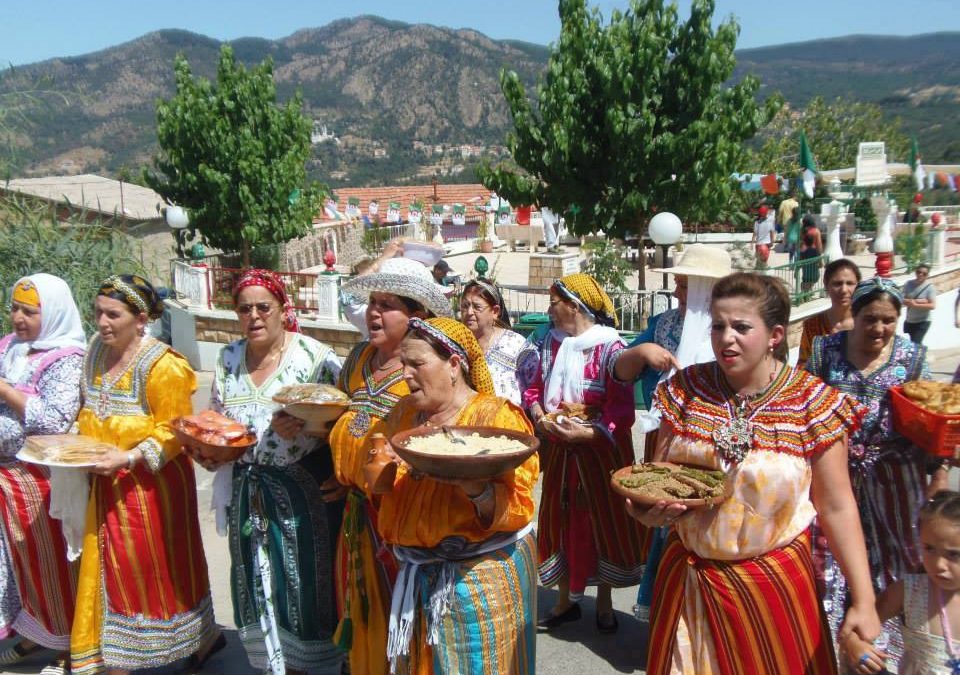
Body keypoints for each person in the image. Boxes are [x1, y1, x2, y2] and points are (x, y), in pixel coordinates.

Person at [631, 272, 880, 674]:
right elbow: (660, 476)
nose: (726, 337)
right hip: (688, 586)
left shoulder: (811, 403)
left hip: (772, 587)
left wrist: (864, 600)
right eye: (718, 325)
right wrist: (646, 512)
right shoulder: (686, 389)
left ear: (775, 334)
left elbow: (836, 506)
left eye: (741, 327)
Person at [72, 274, 221, 675]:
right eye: (98, 312)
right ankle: (116, 652)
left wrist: (129, 458)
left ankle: (168, 645)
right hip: (102, 485)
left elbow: (175, 431)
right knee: (107, 567)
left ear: (140, 319)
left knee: (152, 570)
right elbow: (87, 408)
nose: (102, 322)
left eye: (113, 314)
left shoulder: (164, 366)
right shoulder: (94, 352)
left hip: (150, 490)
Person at [199, 269, 344, 675]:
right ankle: (271, 662)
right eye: (245, 309)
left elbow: (346, 418)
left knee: (302, 584)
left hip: (303, 492)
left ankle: (308, 666)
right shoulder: (227, 359)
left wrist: (312, 425)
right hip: (248, 489)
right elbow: (216, 419)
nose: (255, 316)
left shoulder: (315, 358)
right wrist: (211, 452)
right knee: (255, 578)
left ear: (284, 309)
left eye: (264, 307)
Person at [376, 317, 539, 674]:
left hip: (478, 581)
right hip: (415, 576)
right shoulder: (403, 415)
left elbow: (519, 502)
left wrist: (476, 488)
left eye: (417, 364)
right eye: (404, 364)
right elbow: (378, 484)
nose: (405, 374)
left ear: (453, 365)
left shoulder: (497, 419)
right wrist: (379, 462)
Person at [807, 276, 943, 669]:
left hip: (895, 484)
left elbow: (930, 419)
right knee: (830, 566)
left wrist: (936, 471)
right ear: (855, 313)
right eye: (870, 318)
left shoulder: (913, 359)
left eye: (888, 320)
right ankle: (832, 654)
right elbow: (804, 405)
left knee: (895, 569)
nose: (879, 328)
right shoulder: (824, 352)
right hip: (835, 481)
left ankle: (888, 657)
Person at [329, 258, 453, 675]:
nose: (373, 313)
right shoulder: (359, 357)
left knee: (402, 615)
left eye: (387, 305)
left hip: (397, 516)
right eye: (372, 303)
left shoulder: (423, 373)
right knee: (361, 606)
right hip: (355, 512)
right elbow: (340, 413)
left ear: (416, 316)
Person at [525, 273, 643, 634]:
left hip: (600, 451)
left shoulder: (611, 349)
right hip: (561, 448)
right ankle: (564, 600)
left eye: (554, 302)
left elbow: (622, 411)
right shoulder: (548, 344)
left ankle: (604, 602)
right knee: (560, 517)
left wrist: (590, 431)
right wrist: (541, 417)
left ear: (573, 306)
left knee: (601, 521)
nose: (549, 310)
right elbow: (533, 389)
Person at [0, 274, 85, 674]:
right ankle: (36, 630)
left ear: (51, 314)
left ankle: (71, 643)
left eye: (29, 312)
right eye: (15, 308)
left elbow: (53, 419)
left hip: (39, 482)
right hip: (7, 478)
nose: (18, 318)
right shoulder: (11, 348)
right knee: (21, 567)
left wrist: (4, 390)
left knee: (52, 566)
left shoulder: (66, 358)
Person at [842, 490, 960, 674]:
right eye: (929, 549)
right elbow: (857, 628)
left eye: (953, 554)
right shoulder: (910, 591)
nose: (939, 564)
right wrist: (855, 645)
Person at [459, 279, 527, 405]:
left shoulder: (515, 345)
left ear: (495, 312)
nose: (469, 312)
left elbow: (533, 389)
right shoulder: (455, 343)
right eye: (465, 306)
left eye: (477, 307)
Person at [797, 258, 862, 368]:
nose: (844, 290)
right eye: (837, 284)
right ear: (826, 285)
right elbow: (804, 364)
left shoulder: (865, 323)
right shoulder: (813, 325)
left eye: (850, 283)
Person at [903, 264, 936, 345]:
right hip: (910, 320)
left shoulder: (930, 288)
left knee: (915, 343)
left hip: (923, 321)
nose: (920, 274)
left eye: (924, 273)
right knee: (914, 343)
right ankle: (921, 357)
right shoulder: (908, 284)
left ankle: (919, 357)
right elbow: (901, 299)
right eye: (919, 272)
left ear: (927, 275)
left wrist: (915, 304)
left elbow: (933, 305)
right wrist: (920, 301)